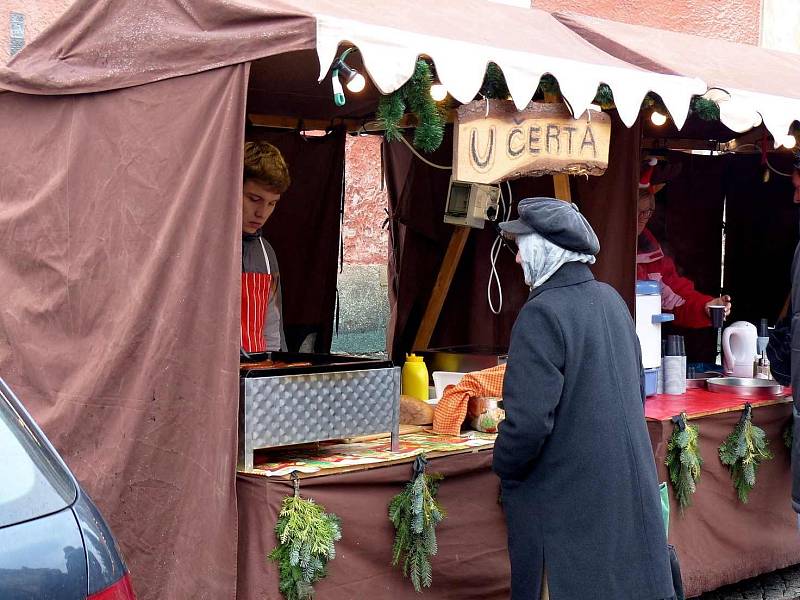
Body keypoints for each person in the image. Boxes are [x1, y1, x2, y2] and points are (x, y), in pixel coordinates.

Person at [493, 197, 674, 600]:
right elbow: (636, 390)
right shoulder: (612, 300)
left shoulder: (542, 313)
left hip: (565, 512)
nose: (518, 260)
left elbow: (527, 425)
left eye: (522, 247)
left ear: (544, 248)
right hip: (616, 500)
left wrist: (503, 465)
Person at [637, 158, 731, 328]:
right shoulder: (601, 247)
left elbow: (677, 297)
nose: (643, 218)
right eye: (638, 211)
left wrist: (705, 306)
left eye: (647, 212)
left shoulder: (652, 255)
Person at [241, 141, 290, 353]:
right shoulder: (201, 245)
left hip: (256, 375)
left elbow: (272, 325)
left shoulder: (265, 252)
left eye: (272, 203)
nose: (262, 213)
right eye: (254, 199)